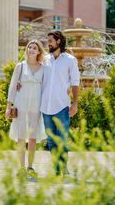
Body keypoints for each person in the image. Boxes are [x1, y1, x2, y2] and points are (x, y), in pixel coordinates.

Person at [40, 30, 80, 176]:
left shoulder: (70, 60)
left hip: (62, 106)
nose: (48, 43)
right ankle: (56, 168)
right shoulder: (44, 59)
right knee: (51, 140)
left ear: (58, 41)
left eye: (50, 40)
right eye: (48, 40)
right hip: (45, 106)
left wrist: (74, 104)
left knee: (62, 139)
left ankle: (63, 167)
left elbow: (75, 83)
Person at [6, 40, 47, 178]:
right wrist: (8, 106)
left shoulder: (44, 67)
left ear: (39, 51)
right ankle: (21, 168)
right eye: (29, 47)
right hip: (21, 103)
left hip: (36, 104)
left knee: (33, 137)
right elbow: (12, 86)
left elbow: (46, 87)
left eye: (34, 48)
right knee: (21, 136)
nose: (31, 49)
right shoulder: (20, 66)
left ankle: (30, 167)